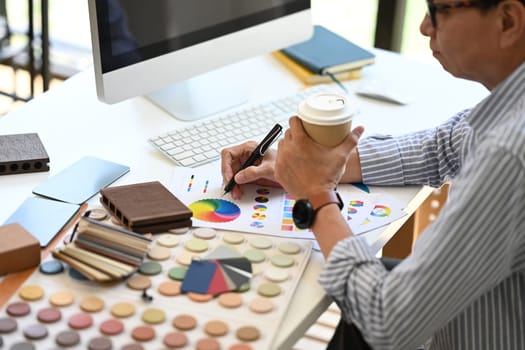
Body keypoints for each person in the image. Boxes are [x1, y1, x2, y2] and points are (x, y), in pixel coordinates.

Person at [221, 0, 525, 349]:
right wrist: (302, 166)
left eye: (438, 10)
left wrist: (316, 196)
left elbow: (386, 321)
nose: (425, 27)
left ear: (507, 20)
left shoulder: (511, 153)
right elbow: (442, 147)